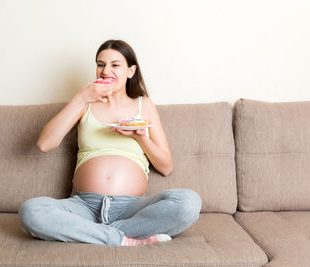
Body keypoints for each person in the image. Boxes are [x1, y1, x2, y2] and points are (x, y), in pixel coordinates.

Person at [18, 39, 202, 246]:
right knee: (31, 211)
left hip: (131, 209)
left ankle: (98, 235)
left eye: (115, 65)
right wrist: (81, 97)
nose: (106, 71)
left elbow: (166, 167)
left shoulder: (145, 106)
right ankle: (125, 239)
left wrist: (140, 137)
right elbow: (44, 144)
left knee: (188, 203)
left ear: (131, 71)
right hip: (83, 207)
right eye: (100, 64)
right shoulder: (84, 104)